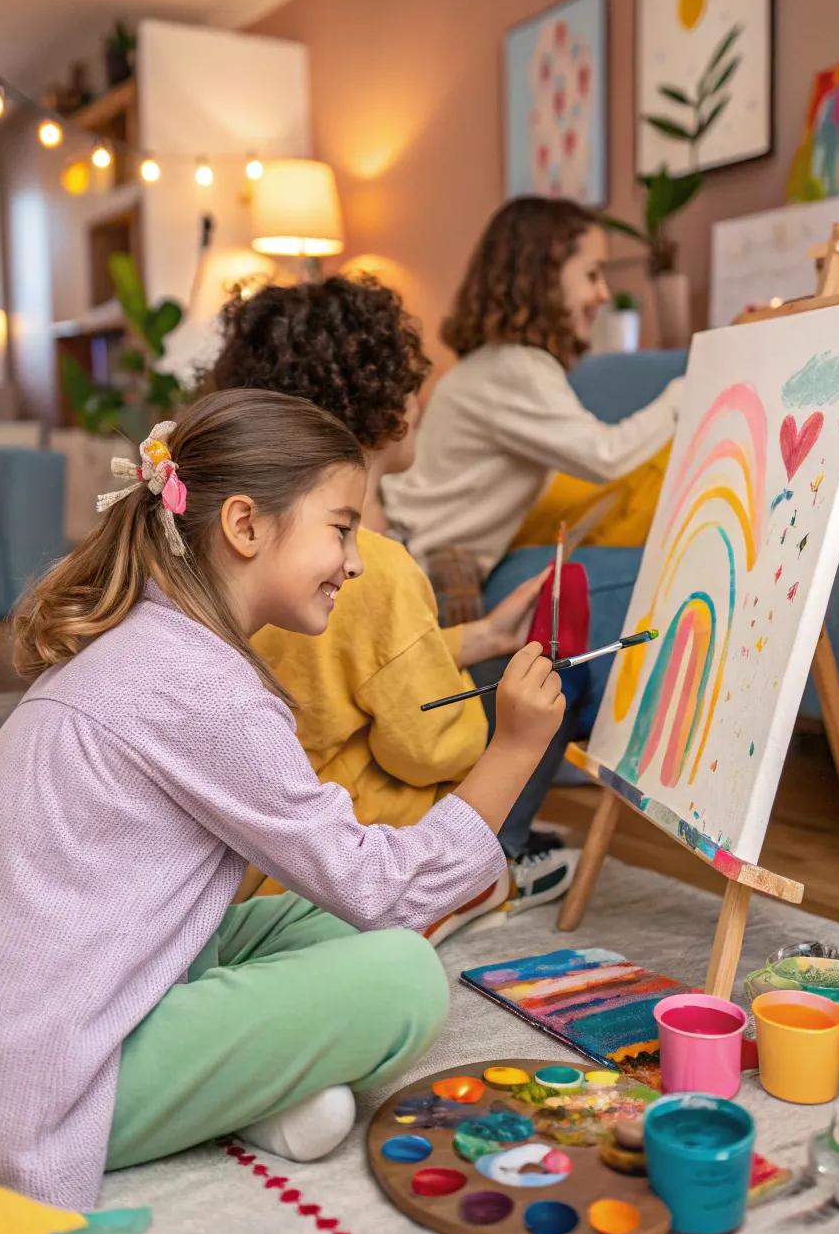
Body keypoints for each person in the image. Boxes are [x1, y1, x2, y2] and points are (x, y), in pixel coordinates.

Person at [0, 392, 563, 1210]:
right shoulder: (204, 689)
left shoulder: (154, 641)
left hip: (17, 1023)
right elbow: (383, 890)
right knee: (402, 970)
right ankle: (249, 1084)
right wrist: (514, 749)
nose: (355, 562)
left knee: (323, 921)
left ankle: (253, 1086)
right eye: (341, 527)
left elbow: (348, 892)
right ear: (247, 526)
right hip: (40, 1079)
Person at [213, 277, 571, 921]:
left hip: (243, 849)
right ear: (385, 404)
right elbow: (429, 746)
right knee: (494, 732)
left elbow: (343, 673)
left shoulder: (252, 546)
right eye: (414, 386)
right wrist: (501, 728)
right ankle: (480, 875)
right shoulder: (373, 567)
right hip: (319, 869)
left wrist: (476, 639)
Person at [382, 195, 684, 575]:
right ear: (546, 278)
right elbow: (606, 455)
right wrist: (680, 395)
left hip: (410, 549)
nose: (604, 294)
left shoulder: (499, 363)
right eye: (592, 275)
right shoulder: (516, 367)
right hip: (415, 561)